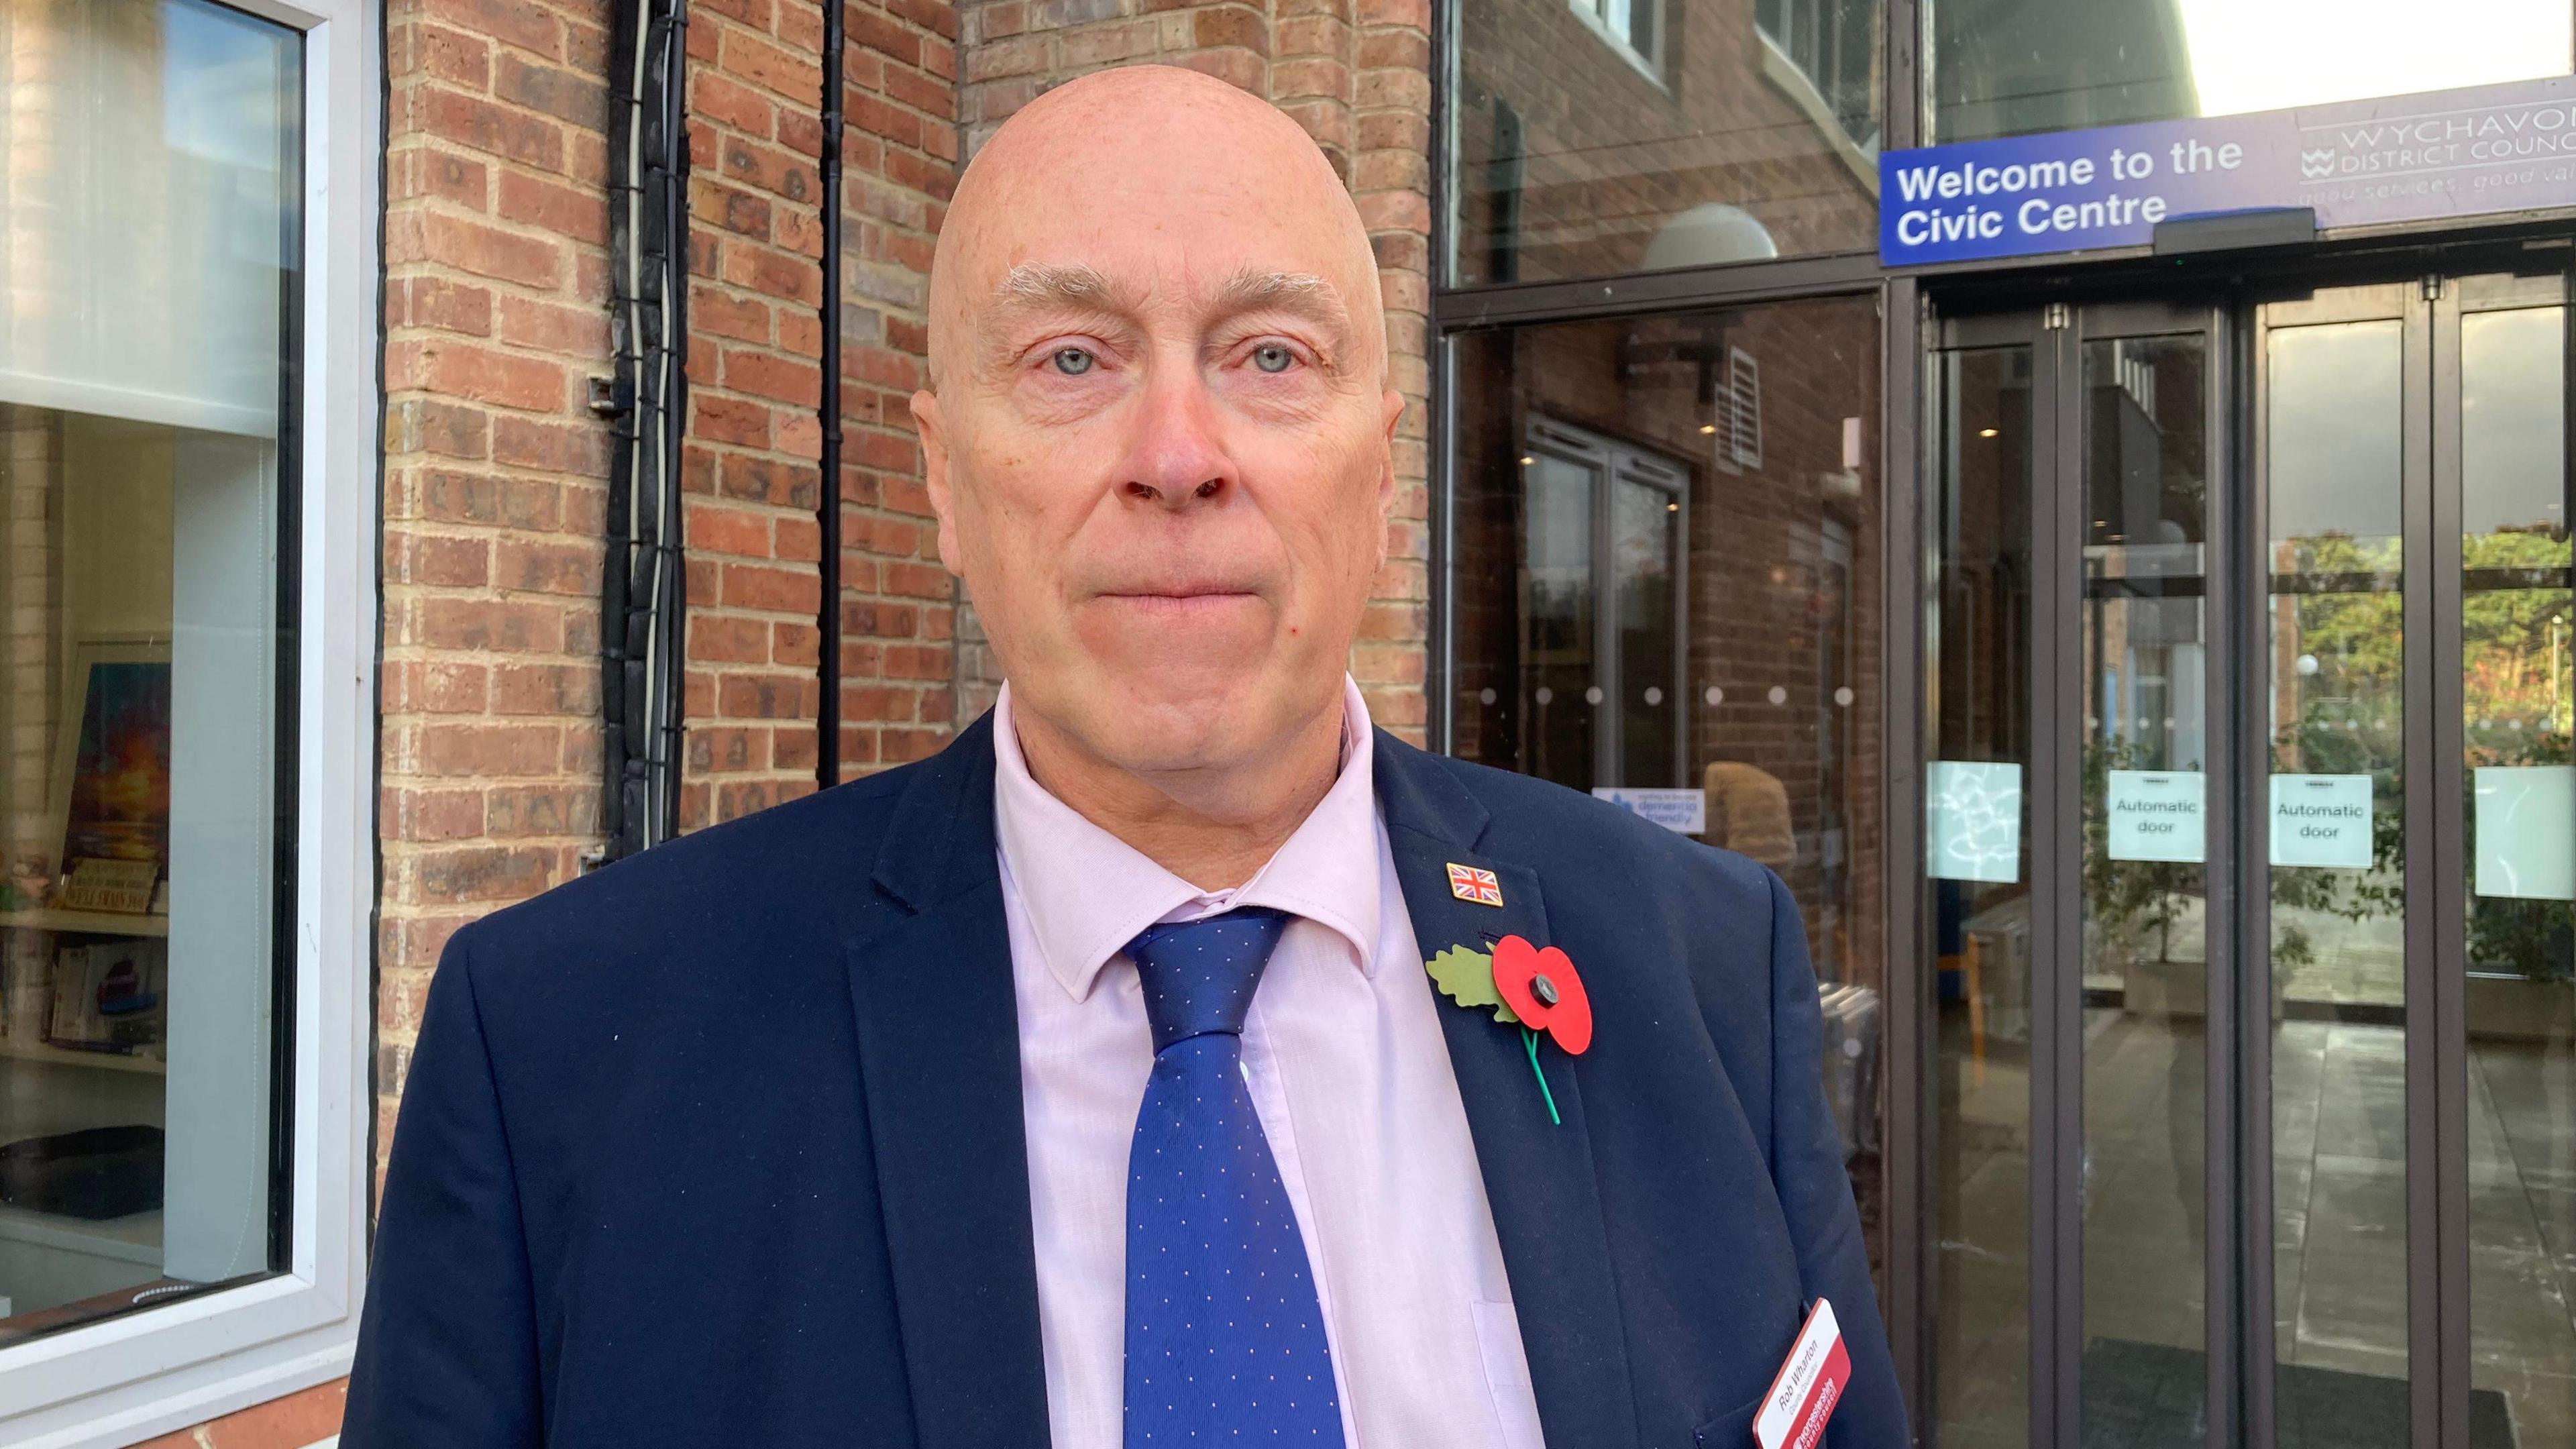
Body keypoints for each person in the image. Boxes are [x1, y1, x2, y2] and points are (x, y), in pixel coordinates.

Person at [341, 64, 1905, 1449]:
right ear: (945, 478)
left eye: (1272, 355)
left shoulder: (1698, 966)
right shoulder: (563, 1050)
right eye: (1074, 359)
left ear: (1386, 472)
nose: (1177, 457)